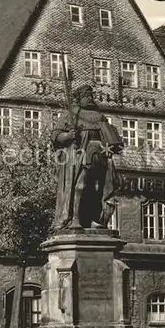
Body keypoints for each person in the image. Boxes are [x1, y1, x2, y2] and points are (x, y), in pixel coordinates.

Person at [51, 84, 123, 230]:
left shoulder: (99, 116)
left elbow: (111, 136)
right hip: (80, 153)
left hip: (100, 155)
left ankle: (94, 219)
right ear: (79, 98)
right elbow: (55, 136)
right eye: (86, 96)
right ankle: (75, 218)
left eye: (91, 96)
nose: (90, 99)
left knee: (98, 188)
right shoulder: (72, 114)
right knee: (80, 185)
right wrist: (68, 136)